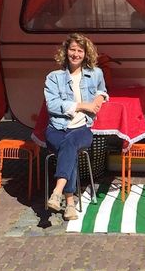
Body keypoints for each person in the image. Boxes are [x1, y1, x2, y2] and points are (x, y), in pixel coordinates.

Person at [44, 33, 108, 221]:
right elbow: (52, 105)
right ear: (66, 52)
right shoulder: (53, 77)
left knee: (70, 143)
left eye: (80, 50)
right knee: (68, 147)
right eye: (72, 49)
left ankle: (58, 191)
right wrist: (82, 105)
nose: (76, 54)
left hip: (82, 130)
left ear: (86, 54)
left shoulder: (96, 73)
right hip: (56, 128)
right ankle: (69, 204)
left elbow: (102, 90)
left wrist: (98, 98)